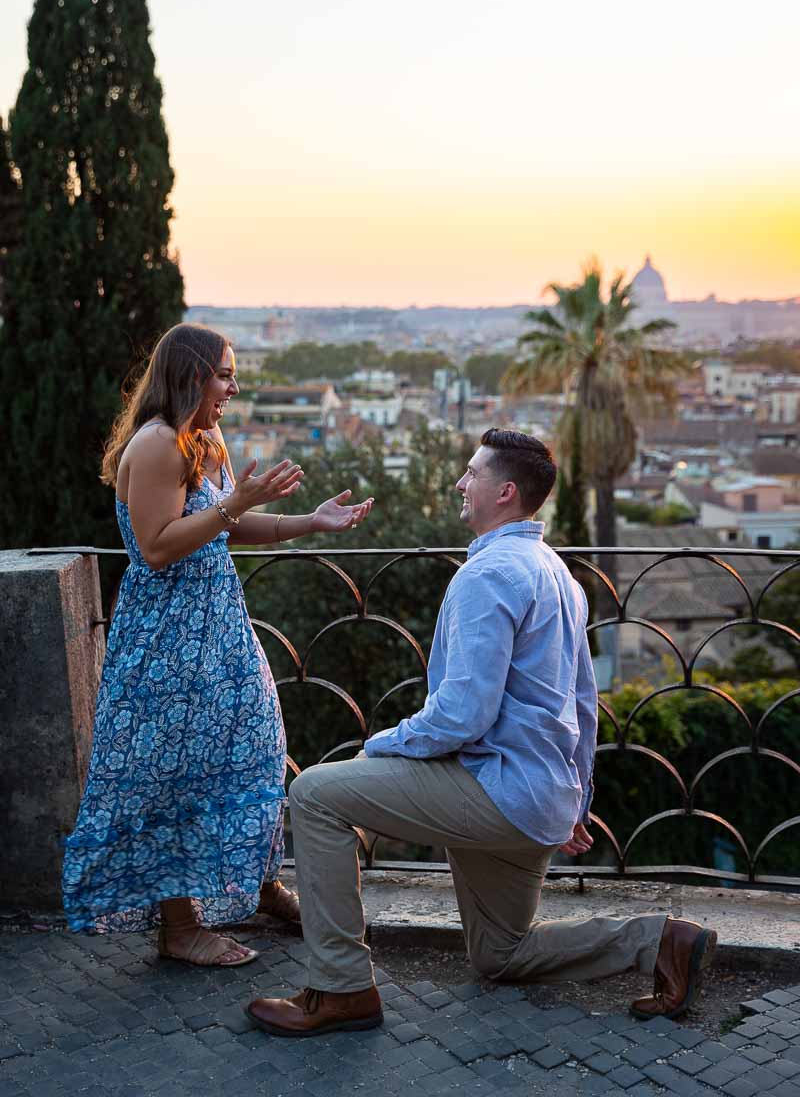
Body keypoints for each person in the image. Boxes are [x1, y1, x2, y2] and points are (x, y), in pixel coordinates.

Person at [246, 427, 717, 1033]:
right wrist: (578, 795)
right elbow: (582, 699)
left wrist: (379, 746)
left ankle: (340, 990)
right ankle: (661, 942)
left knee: (314, 793)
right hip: (539, 797)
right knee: (500, 954)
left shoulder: (488, 575)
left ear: (506, 492)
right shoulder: (558, 572)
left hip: (498, 791)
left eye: (473, 473)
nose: (460, 483)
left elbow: (464, 715)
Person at [62, 323, 373, 967]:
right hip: (166, 638)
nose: (234, 387)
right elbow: (156, 546)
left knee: (257, 753)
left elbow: (226, 524)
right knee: (175, 777)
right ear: (191, 375)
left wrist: (308, 520)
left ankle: (254, 885)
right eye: (225, 374)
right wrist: (235, 505)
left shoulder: (203, 438)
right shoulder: (155, 446)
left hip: (218, 626)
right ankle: (180, 927)